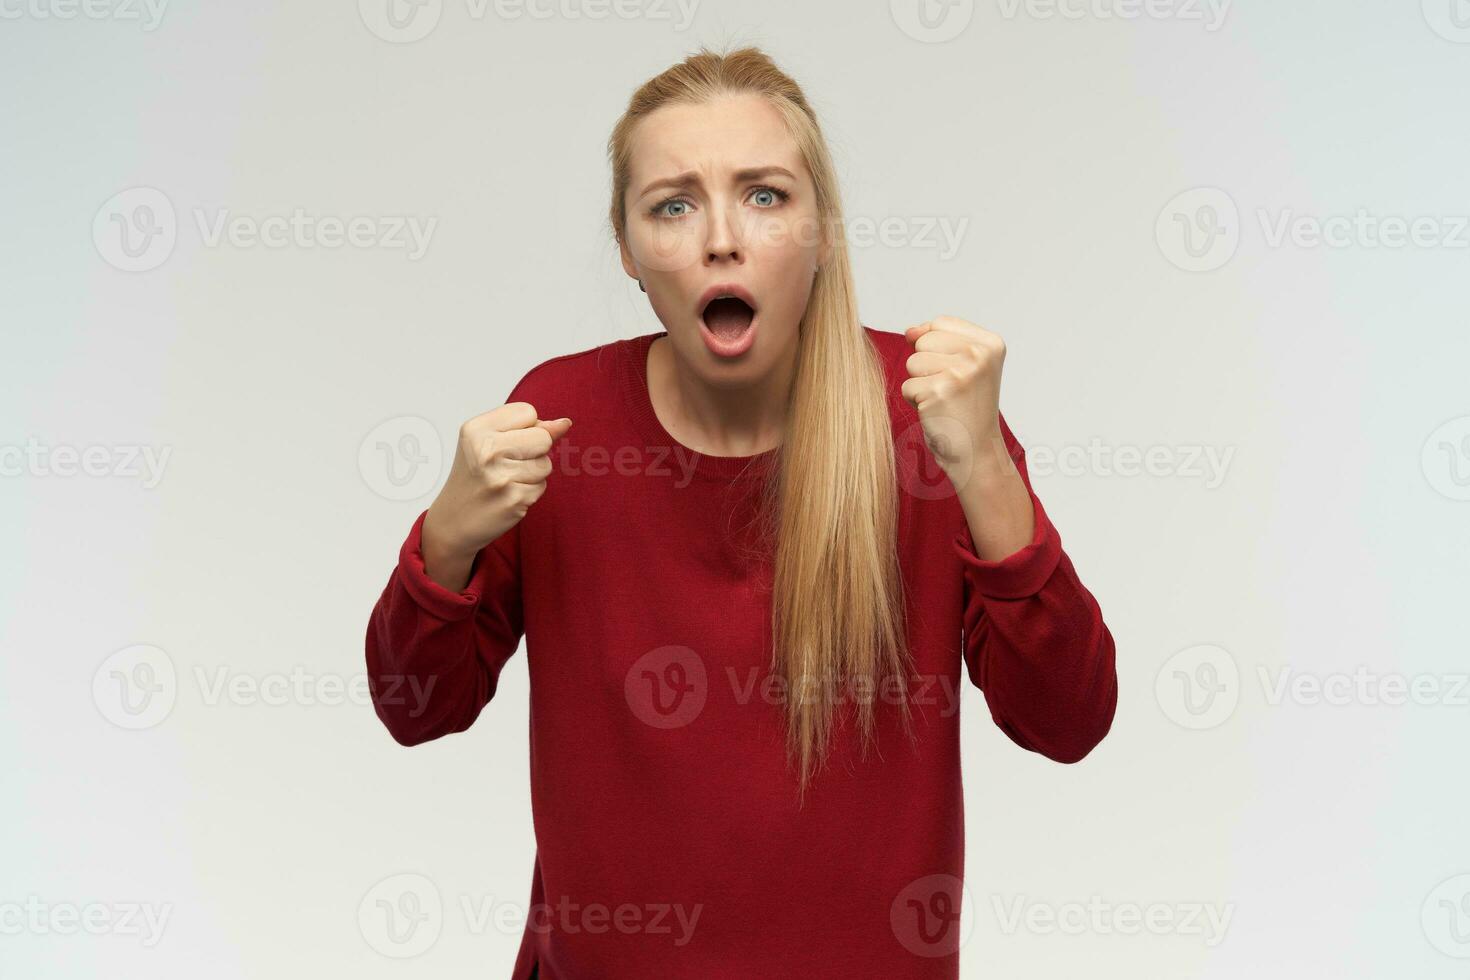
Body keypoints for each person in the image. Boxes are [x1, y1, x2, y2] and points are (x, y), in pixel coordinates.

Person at [365, 45, 1117, 980]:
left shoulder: (925, 420)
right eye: (673, 205)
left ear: (822, 234)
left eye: (765, 195)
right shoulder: (560, 426)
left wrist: (989, 477)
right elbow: (415, 708)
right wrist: (448, 539)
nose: (722, 237)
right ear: (632, 253)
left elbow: (1069, 719)